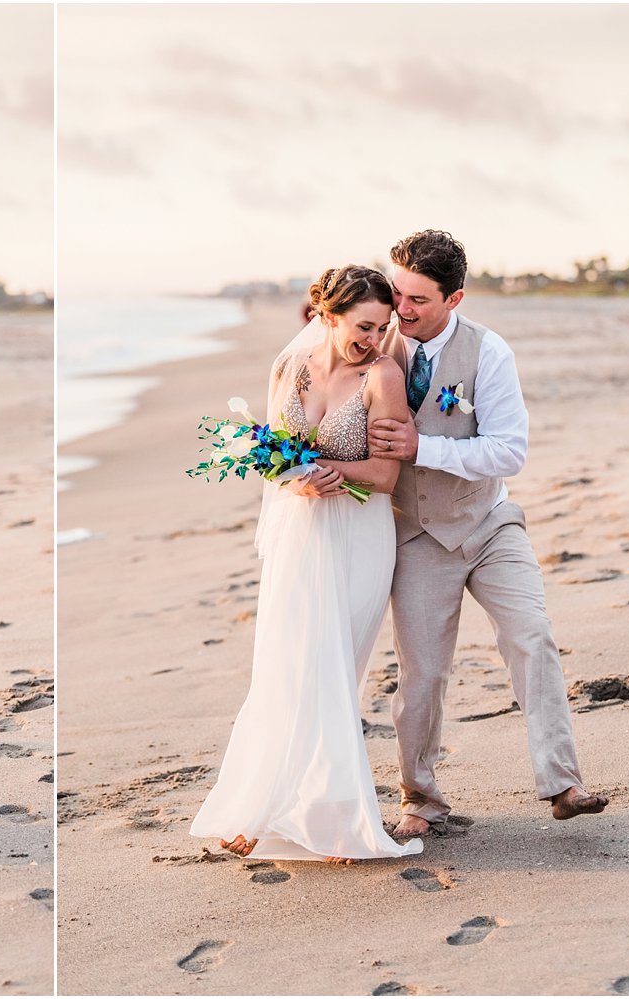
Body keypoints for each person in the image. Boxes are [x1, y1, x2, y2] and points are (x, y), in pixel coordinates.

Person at [367, 230, 607, 838]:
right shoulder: (375, 348)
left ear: (456, 298)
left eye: (419, 299)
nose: (403, 308)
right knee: (422, 673)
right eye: (399, 292)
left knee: (533, 636)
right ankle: (419, 798)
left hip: (491, 523)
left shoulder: (489, 352)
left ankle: (563, 783)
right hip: (417, 534)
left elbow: (509, 451)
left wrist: (426, 445)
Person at [188, 265, 423, 863]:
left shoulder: (384, 377)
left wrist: (329, 476)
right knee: (284, 668)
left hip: (359, 536)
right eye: (364, 327)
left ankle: (336, 820)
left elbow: (385, 473)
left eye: (383, 327)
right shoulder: (288, 368)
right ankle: (257, 810)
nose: (374, 338)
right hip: (299, 535)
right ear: (327, 316)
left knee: (334, 675)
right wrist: (295, 481)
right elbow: (271, 451)